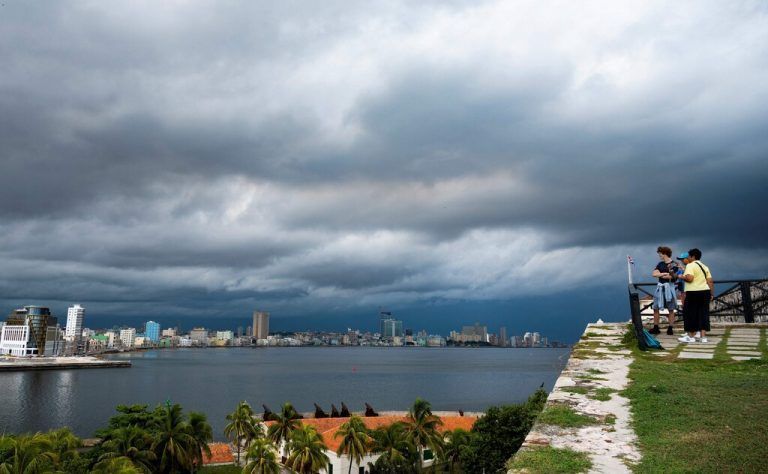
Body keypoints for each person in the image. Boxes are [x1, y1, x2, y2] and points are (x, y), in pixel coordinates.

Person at [678, 248, 714, 343]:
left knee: (690, 314)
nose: (688, 258)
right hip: (705, 291)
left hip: (693, 292)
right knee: (703, 314)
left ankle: (691, 337)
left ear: (693, 257)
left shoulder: (690, 265)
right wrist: (711, 293)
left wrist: (681, 276)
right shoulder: (705, 266)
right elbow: (710, 281)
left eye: (689, 256)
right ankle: (703, 337)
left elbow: (690, 279)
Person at [650, 246, 679, 335]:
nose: (659, 255)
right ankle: (656, 328)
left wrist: (661, 274)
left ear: (664, 253)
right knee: (655, 308)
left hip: (669, 288)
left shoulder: (674, 264)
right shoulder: (660, 264)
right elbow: (654, 274)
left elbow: (672, 277)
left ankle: (670, 328)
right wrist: (664, 273)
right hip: (660, 288)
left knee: (671, 309)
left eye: (660, 253)